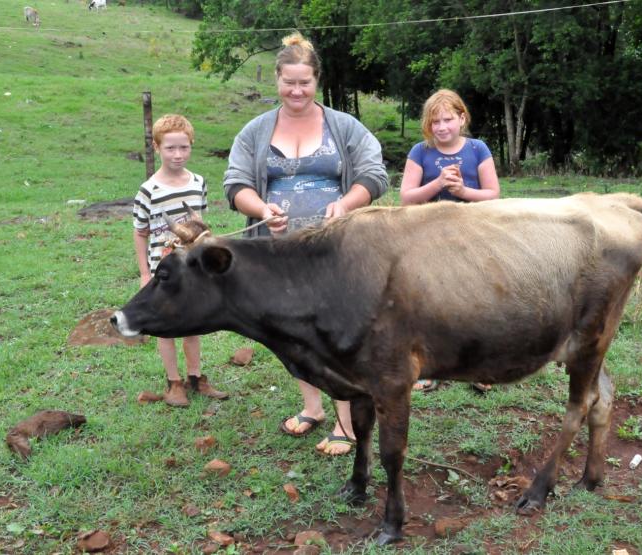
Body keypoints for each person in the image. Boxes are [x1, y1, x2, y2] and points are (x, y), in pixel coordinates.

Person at [223, 33, 389, 455]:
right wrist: (262, 209)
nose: (296, 91)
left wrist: (345, 203)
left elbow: (374, 173)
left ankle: (345, 423)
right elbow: (235, 183)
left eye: (305, 83)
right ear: (277, 80)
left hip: (334, 251)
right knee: (289, 329)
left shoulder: (344, 126)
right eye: (288, 82)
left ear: (317, 82)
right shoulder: (255, 131)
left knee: (334, 331)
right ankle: (311, 406)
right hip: (276, 253)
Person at [399, 89, 500, 393]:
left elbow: (493, 194)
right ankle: (430, 367)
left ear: (461, 117)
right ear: (428, 126)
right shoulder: (420, 152)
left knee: (476, 300)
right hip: (428, 238)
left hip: (474, 237)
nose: (442, 127)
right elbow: (407, 197)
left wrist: (463, 192)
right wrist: (438, 183)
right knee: (430, 301)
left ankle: (480, 367)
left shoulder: (478, 148)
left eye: (447, 120)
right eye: (435, 122)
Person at [132, 114, 229, 407]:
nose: (177, 155)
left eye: (184, 148)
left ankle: (196, 377)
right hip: (163, 270)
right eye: (171, 148)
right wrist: (144, 273)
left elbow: (199, 224)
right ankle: (173, 382)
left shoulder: (198, 182)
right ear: (157, 147)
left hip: (193, 268)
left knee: (193, 322)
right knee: (166, 324)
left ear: (191, 146)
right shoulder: (149, 190)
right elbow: (140, 233)